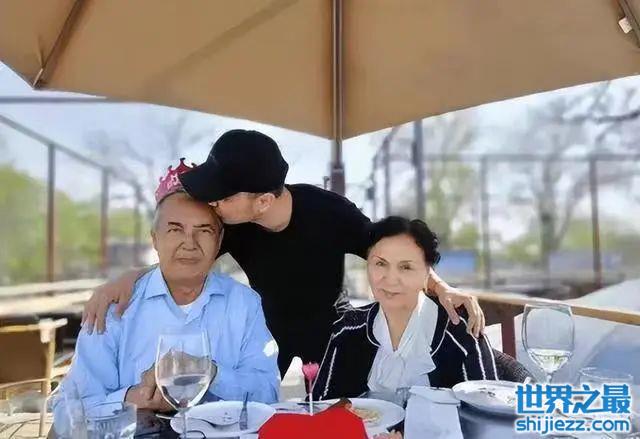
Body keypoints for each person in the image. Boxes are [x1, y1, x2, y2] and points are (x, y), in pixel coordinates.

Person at [82, 130, 485, 375]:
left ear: (262, 201)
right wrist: (126, 279)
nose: (213, 203)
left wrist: (441, 287)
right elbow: (182, 259)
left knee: (337, 409)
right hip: (267, 328)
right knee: (257, 408)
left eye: (222, 195)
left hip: (329, 326)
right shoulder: (231, 223)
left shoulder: (329, 211)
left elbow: (393, 251)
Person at [53, 162, 279, 424]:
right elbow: (66, 410)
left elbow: (269, 394)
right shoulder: (114, 307)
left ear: (218, 241)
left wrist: (211, 373)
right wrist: (131, 399)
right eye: (175, 229)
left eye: (204, 231)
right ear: (155, 239)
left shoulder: (244, 303)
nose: (189, 243)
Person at [312, 217, 498, 401]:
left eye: (406, 267)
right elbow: (320, 405)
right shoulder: (348, 328)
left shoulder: (460, 329)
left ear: (427, 273)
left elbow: (488, 408)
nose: (391, 278)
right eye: (380, 263)